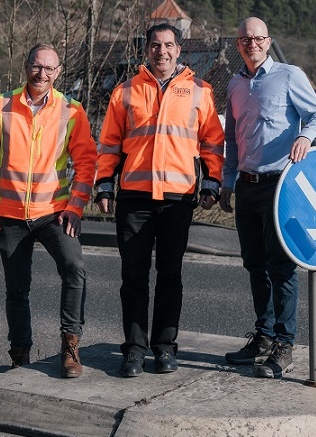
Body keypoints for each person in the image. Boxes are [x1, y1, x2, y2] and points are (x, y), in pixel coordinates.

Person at [95, 23, 225, 377]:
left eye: (168, 45)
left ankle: (165, 348)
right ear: (146, 49)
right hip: (133, 198)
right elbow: (109, 143)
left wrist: (212, 181)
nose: (162, 51)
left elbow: (212, 142)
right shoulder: (125, 91)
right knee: (133, 277)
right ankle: (134, 350)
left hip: (177, 198)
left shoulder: (200, 91)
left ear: (179, 50)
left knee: (170, 275)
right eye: (155, 45)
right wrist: (104, 184)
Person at [0, 43, 97, 378]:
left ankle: (70, 348)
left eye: (49, 68)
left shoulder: (72, 110)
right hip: (9, 214)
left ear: (58, 72)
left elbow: (87, 163)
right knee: (17, 289)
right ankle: (20, 355)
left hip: (54, 213)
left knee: (74, 268)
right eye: (36, 66)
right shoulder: (0, 106)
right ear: (26, 66)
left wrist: (76, 207)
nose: (41, 74)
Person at [220, 17, 316, 378]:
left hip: (280, 185)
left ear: (268, 41)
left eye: (257, 38)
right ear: (237, 44)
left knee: (281, 267)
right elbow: (231, 138)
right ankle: (264, 337)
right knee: (254, 265)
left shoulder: (289, 75)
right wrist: (227, 181)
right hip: (246, 186)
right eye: (244, 39)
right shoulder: (235, 84)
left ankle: (285, 344)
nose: (251, 43)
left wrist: (306, 137)